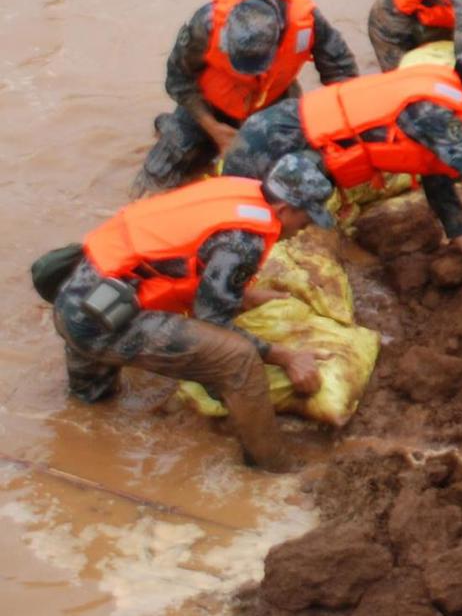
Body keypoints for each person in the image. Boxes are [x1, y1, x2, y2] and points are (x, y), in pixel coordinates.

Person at [45, 155, 337, 471]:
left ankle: (75, 451)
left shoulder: (239, 189)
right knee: (237, 359)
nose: (300, 231)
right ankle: (272, 466)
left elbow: (182, 254)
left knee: (91, 408)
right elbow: (214, 322)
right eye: (305, 221)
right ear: (284, 210)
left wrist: (240, 294)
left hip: (80, 295)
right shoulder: (244, 242)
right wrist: (286, 356)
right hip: (102, 321)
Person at [222, 38, 462, 260]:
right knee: (243, 232)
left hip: (297, 140)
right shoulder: (430, 108)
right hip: (273, 142)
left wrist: (461, 237)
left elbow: (436, 170)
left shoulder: (446, 100)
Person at [137, 0, 360, 194]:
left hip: (273, 108)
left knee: (284, 179)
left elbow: (342, 75)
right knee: (157, 174)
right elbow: (178, 80)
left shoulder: (308, 23)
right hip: (211, 107)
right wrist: (213, 128)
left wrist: (338, 135)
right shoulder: (206, 24)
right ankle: (174, 132)